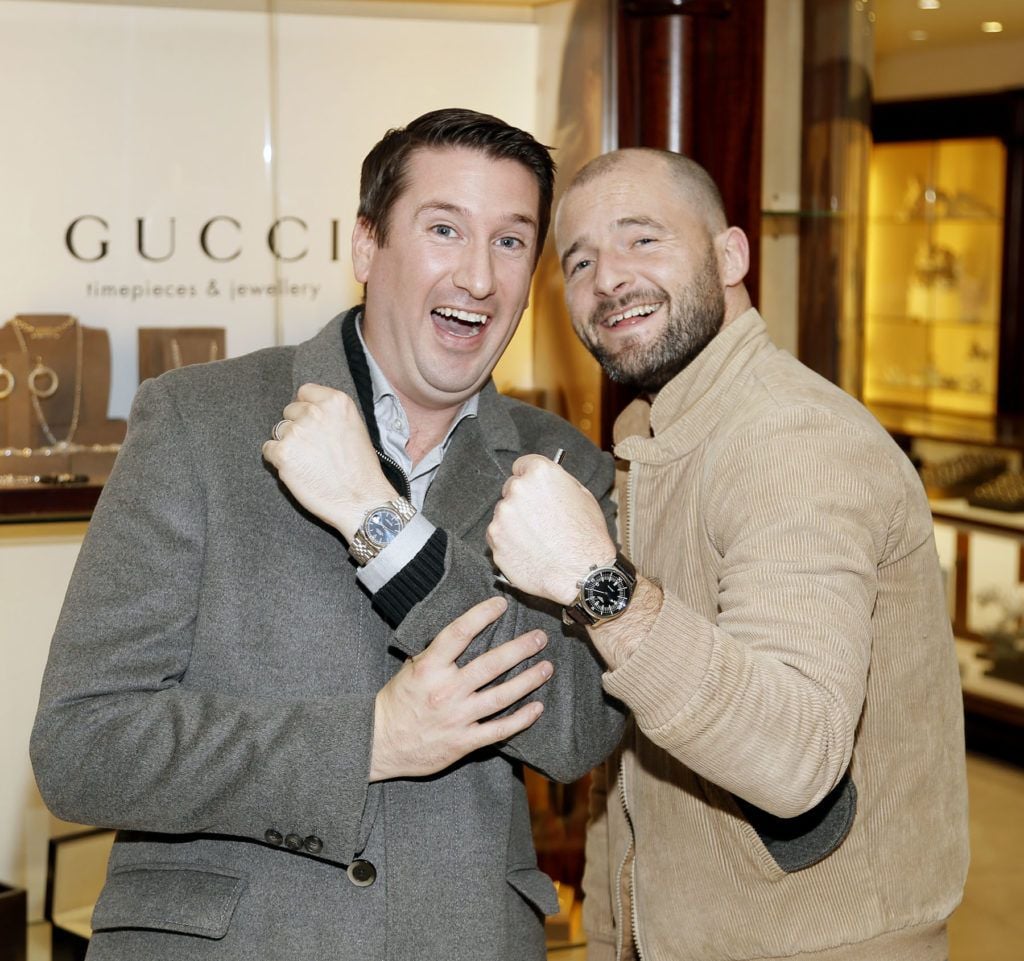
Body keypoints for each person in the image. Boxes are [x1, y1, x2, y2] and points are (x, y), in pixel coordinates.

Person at [30, 109, 625, 961]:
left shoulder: (564, 465)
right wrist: (369, 743)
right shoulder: (198, 420)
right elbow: (81, 747)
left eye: (510, 242)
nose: (477, 277)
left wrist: (384, 529)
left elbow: (576, 728)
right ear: (364, 246)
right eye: (444, 228)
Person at [487, 148, 969, 961]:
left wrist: (597, 582)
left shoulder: (789, 436)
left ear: (731, 255)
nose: (608, 278)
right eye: (581, 260)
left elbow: (795, 755)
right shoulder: (658, 436)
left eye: (643, 240)